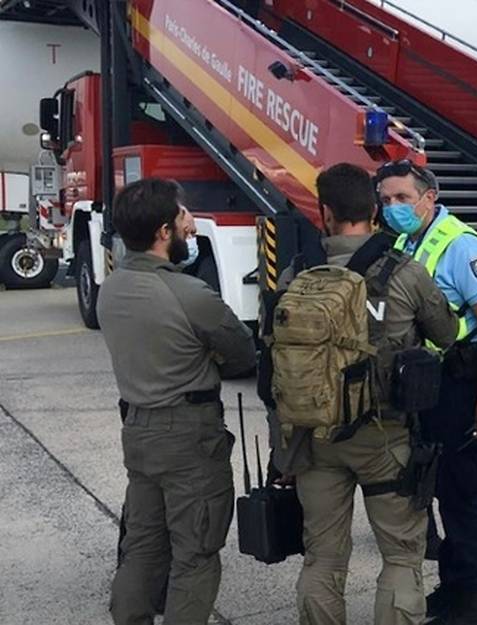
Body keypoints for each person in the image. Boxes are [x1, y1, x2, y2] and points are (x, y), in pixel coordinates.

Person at [263, 163, 460, 625]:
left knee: (324, 559)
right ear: (375, 211)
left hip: (315, 439)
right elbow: (447, 333)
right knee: (400, 556)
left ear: (325, 212)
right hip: (385, 436)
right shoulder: (404, 271)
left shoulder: (297, 273)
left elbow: (272, 356)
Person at [100, 178, 256, 625]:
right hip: (189, 437)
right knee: (196, 553)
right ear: (163, 232)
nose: (191, 223)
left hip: (138, 430)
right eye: (184, 215)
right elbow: (242, 351)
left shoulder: (112, 287)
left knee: (143, 547)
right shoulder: (188, 294)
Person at [376, 160, 477, 625]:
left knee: (461, 494)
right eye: (387, 200)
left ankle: (471, 602)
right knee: (428, 487)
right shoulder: (400, 241)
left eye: (403, 199)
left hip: (460, 384)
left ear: (429, 197)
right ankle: (451, 589)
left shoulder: (460, 244)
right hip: (422, 388)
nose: (394, 208)